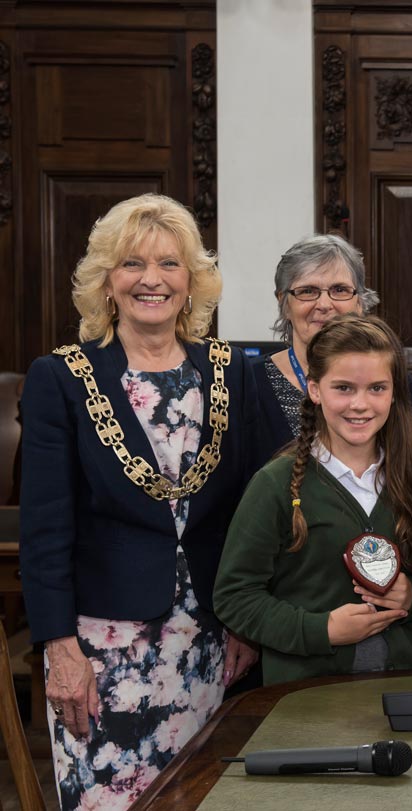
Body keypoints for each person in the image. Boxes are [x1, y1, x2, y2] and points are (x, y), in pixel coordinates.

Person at [19, 193, 260, 811]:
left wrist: (243, 619)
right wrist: (59, 649)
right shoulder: (61, 378)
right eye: (132, 264)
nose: (151, 279)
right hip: (101, 650)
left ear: (193, 282)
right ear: (106, 282)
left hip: (207, 641)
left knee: (201, 799)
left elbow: (244, 515)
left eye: (169, 265)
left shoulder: (233, 373)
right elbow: (45, 530)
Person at [215, 315, 412, 684]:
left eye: (377, 388)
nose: (361, 404)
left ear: (395, 391)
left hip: (401, 692)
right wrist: (321, 630)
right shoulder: (276, 485)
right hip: (306, 699)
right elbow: (235, 597)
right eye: (344, 388)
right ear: (315, 390)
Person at [256, 234, 412, 457]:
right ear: (284, 304)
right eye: (308, 291)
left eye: (339, 290)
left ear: (360, 302)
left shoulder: (392, 379)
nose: (324, 304)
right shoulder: (249, 384)